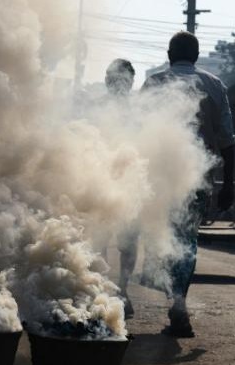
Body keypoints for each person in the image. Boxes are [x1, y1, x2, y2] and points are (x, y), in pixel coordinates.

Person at [142, 31, 235, 338]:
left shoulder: (155, 83)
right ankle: (178, 303)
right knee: (187, 241)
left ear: (170, 54)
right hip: (197, 178)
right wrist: (228, 184)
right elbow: (227, 140)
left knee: (162, 236)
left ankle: (175, 302)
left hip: (158, 180)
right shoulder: (214, 85)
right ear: (195, 56)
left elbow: (133, 129)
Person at [103, 58, 137, 318]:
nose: (117, 83)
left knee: (127, 242)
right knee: (100, 239)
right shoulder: (96, 108)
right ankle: (104, 289)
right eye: (113, 78)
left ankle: (122, 290)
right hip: (100, 183)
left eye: (121, 79)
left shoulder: (139, 111)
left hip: (129, 185)